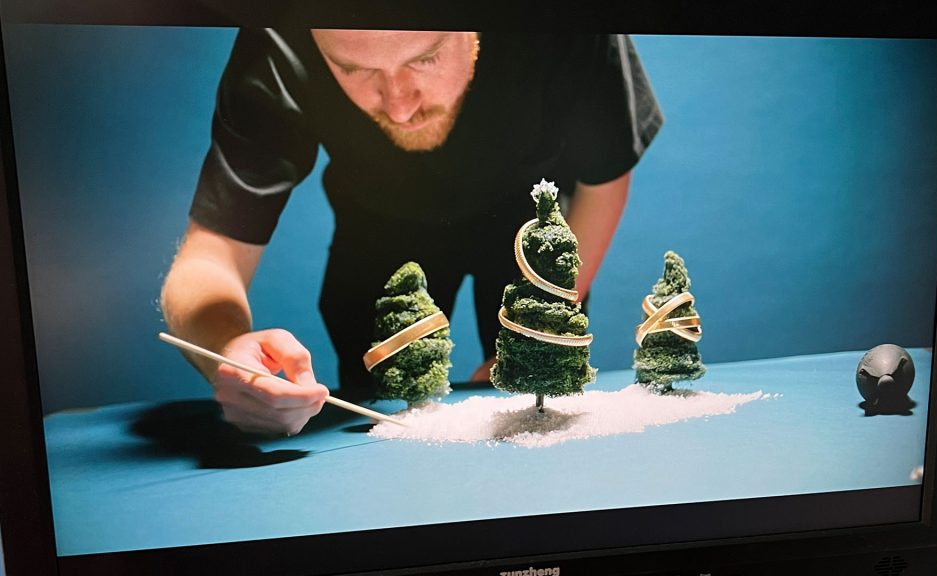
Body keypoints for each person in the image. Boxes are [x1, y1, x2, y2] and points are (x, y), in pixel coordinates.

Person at [160, 28, 662, 436]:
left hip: (529, 224)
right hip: (379, 229)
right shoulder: (276, 38)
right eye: (353, 69)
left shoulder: (571, 25)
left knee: (543, 404)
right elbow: (210, 256)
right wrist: (226, 354)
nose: (399, 107)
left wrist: (542, 331)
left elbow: (602, 184)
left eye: (425, 58)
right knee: (384, 415)